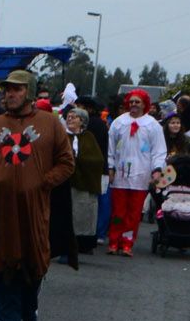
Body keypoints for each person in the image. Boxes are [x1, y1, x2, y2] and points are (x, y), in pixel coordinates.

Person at [0, 68, 74, 321]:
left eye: (16, 89)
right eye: (6, 90)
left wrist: (44, 182)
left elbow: (66, 162)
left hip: (35, 210)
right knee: (4, 263)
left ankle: (29, 310)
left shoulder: (50, 124)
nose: (9, 94)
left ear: (28, 91)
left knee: (33, 261)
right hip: (0, 211)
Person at [106, 89, 166, 255]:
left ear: (144, 104)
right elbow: (110, 148)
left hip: (141, 175)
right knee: (118, 211)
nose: (133, 105)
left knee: (133, 213)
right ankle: (113, 240)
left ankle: (127, 242)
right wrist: (110, 167)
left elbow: (159, 151)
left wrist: (157, 170)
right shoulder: (119, 122)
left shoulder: (152, 125)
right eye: (131, 101)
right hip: (120, 174)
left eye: (137, 102)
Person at [64, 106, 106, 253]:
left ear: (82, 121)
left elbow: (97, 160)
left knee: (81, 213)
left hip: (82, 184)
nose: (70, 118)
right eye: (68, 116)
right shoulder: (63, 137)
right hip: (64, 182)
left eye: (74, 116)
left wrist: (78, 161)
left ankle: (80, 244)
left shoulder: (89, 138)